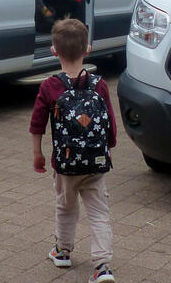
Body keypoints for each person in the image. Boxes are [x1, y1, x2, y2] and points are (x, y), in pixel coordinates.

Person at [30, 18, 118, 283]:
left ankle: (63, 251)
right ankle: (102, 266)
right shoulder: (99, 84)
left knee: (66, 208)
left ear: (53, 51)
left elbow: (37, 124)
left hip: (65, 165)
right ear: (87, 49)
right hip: (96, 162)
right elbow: (110, 123)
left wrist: (38, 154)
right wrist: (107, 146)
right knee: (99, 213)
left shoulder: (49, 86)